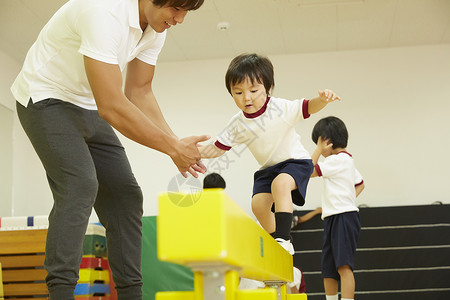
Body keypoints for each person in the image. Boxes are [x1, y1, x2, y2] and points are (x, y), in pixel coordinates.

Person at [10, 0, 207, 299]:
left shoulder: (156, 27)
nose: (179, 19)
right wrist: (171, 148)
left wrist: (176, 143)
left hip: (85, 103)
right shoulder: (103, 11)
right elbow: (113, 107)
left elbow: (138, 91)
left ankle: (131, 294)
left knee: (126, 195)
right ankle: (60, 293)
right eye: (176, 9)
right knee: (80, 184)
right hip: (44, 97)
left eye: (186, 12)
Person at [199, 53, 341, 254]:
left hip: (296, 162)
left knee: (280, 184)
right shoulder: (237, 123)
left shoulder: (280, 107)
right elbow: (217, 148)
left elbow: (308, 106)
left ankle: (284, 238)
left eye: (254, 90)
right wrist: (194, 153)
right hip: (268, 169)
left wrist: (322, 99)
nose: (246, 97)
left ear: (268, 88)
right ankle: (275, 239)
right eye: (238, 93)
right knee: (258, 205)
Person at [310, 116, 365, 300]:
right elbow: (360, 184)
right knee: (329, 269)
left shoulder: (338, 160)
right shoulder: (347, 161)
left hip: (343, 216)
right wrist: (345, 199)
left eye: (319, 142)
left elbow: (308, 171)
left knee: (343, 266)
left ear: (327, 141)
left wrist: (317, 150)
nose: (321, 149)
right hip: (334, 216)